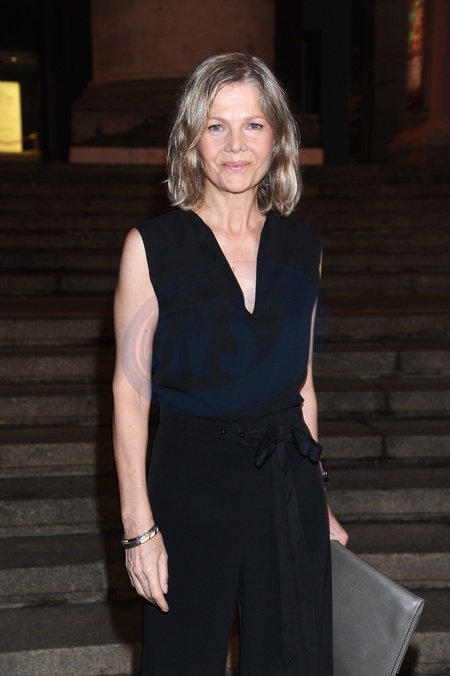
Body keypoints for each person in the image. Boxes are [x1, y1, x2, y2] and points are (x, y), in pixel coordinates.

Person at [112, 52, 348, 676]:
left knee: (292, 662)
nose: (235, 145)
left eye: (253, 125)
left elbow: (303, 385)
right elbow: (130, 392)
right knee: (181, 661)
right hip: (189, 486)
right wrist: (138, 527)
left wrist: (318, 497)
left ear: (278, 139)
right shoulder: (151, 246)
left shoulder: (303, 247)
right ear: (192, 140)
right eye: (216, 125)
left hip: (286, 486)